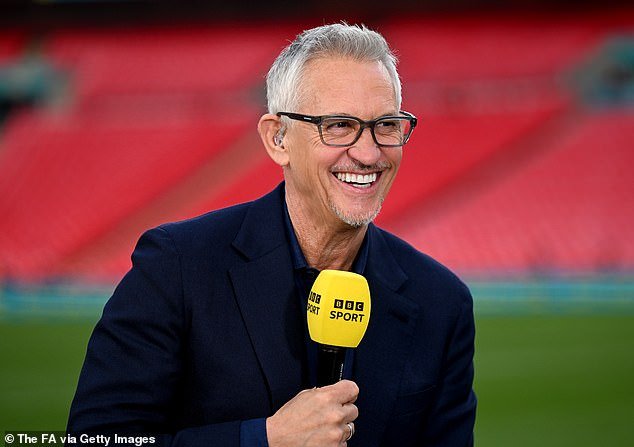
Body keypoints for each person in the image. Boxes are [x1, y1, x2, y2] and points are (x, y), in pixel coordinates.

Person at [68, 23, 476, 447]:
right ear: (278, 138)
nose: (369, 152)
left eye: (386, 125)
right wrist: (264, 439)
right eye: (339, 125)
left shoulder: (442, 303)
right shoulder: (177, 267)